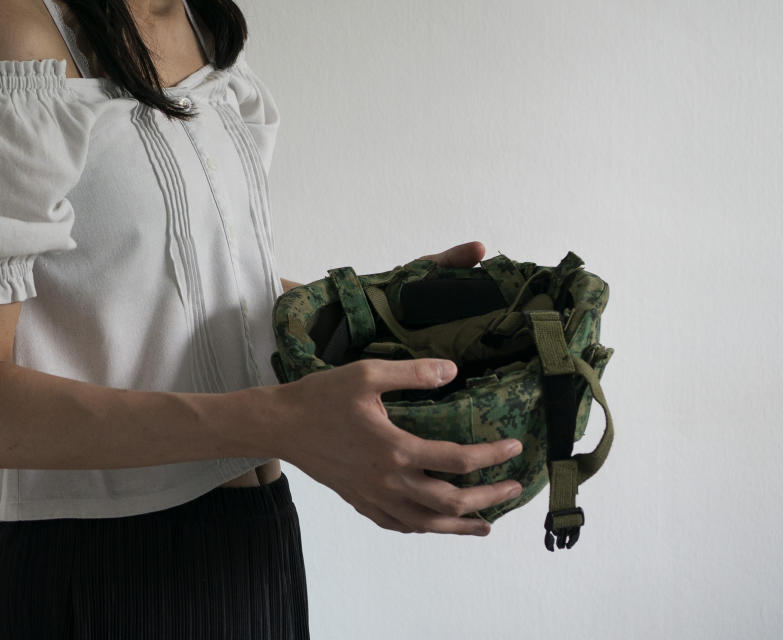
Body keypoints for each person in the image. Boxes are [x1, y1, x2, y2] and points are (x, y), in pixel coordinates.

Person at [0, 1, 523, 637]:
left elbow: (178, 286)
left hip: (256, 540)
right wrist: (284, 423)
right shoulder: (20, 29)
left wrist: (367, 318)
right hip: (92, 565)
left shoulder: (198, 20)